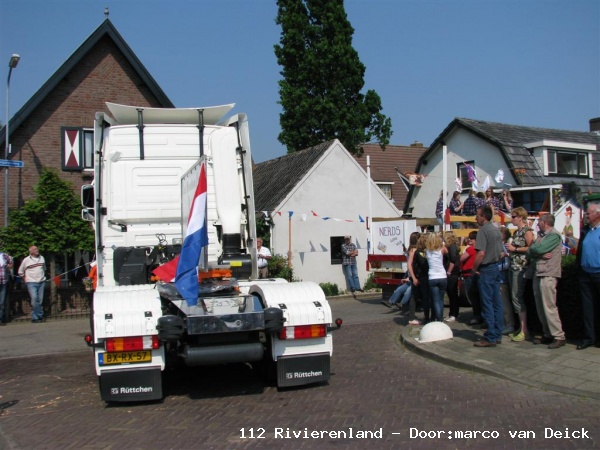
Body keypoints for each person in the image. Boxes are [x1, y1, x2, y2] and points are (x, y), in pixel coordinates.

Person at [527, 213, 565, 349]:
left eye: (539, 221)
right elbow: (529, 252)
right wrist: (537, 253)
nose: (537, 223)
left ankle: (559, 336)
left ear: (545, 222)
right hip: (539, 272)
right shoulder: (541, 235)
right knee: (540, 306)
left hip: (549, 273)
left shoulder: (554, 235)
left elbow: (538, 248)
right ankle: (547, 333)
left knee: (549, 306)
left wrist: (535, 251)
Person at [472, 205, 503, 347]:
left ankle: (490, 336)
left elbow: (481, 253)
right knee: (497, 303)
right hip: (496, 267)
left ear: (484, 216)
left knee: (487, 303)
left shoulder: (483, 231)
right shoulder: (495, 230)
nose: (476, 218)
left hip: (486, 268)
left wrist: (474, 268)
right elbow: (501, 252)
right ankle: (497, 334)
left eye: (477, 215)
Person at [505, 206, 534, 342]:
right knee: (514, 297)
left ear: (521, 217)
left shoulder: (527, 231)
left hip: (521, 267)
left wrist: (515, 248)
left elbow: (532, 248)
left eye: (514, 217)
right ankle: (520, 327)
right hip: (513, 266)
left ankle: (524, 329)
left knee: (517, 297)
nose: (512, 219)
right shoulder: (516, 232)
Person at [575, 199, 600, 350]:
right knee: (588, 308)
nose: (586, 215)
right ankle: (589, 338)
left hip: (599, 273)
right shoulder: (585, 230)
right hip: (585, 274)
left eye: (588, 213)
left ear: (597, 214)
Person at [18, 245, 47, 323]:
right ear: (31, 251)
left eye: (37, 248)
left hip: (41, 282)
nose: (37, 250)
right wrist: (25, 279)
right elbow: (20, 271)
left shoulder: (42, 258)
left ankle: (35, 318)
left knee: (40, 300)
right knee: (34, 299)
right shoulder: (26, 260)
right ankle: (40, 314)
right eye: (35, 249)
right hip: (31, 282)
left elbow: (44, 269)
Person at [426, 232, 448, 322]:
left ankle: (438, 318)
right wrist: (441, 241)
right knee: (441, 299)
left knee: (435, 299)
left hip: (432, 276)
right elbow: (446, 251)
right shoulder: (441, 249)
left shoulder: (427, 250)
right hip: (442, 275)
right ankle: (440, 317)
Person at [460, 231, 481, 324]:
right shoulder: (478, 249)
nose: (469, 240)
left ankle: (476, 315)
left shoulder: (471, 249)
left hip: (469, 274)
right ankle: (479, 315)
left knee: (472, 296)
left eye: (471, 238)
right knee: (476, 296)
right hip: (474, 273)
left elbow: (461, 258)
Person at [498, 226, 515, 335]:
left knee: (504, 302)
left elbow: (507, 263)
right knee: (499, 302)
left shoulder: (505, 246)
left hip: (502, 277)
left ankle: (509, 324)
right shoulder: (499, 245)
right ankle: (503, 323)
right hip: (498, 276)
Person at [410, 234, 430, 324]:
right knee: (418, 296)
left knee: (423, 297)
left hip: (422, 276)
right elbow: (411, 265)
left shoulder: (418, 251)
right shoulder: (415, 251)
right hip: (421, 276)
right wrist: (414, 277)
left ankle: (427, 317)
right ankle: (413, 317)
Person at [444, 231, 461, 322]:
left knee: (452, 293)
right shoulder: (451, 246)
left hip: (452, 272)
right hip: (452, 272)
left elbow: (453, 260)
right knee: (451, 294)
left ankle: (454, 314)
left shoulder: (452, 246)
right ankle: (452, 313)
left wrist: (449, 272)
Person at [0, 248, 14, 325]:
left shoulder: (4, 255)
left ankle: (0, 319)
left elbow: (11, 263)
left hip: (3, 281)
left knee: (1, 302)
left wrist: (9, 266)